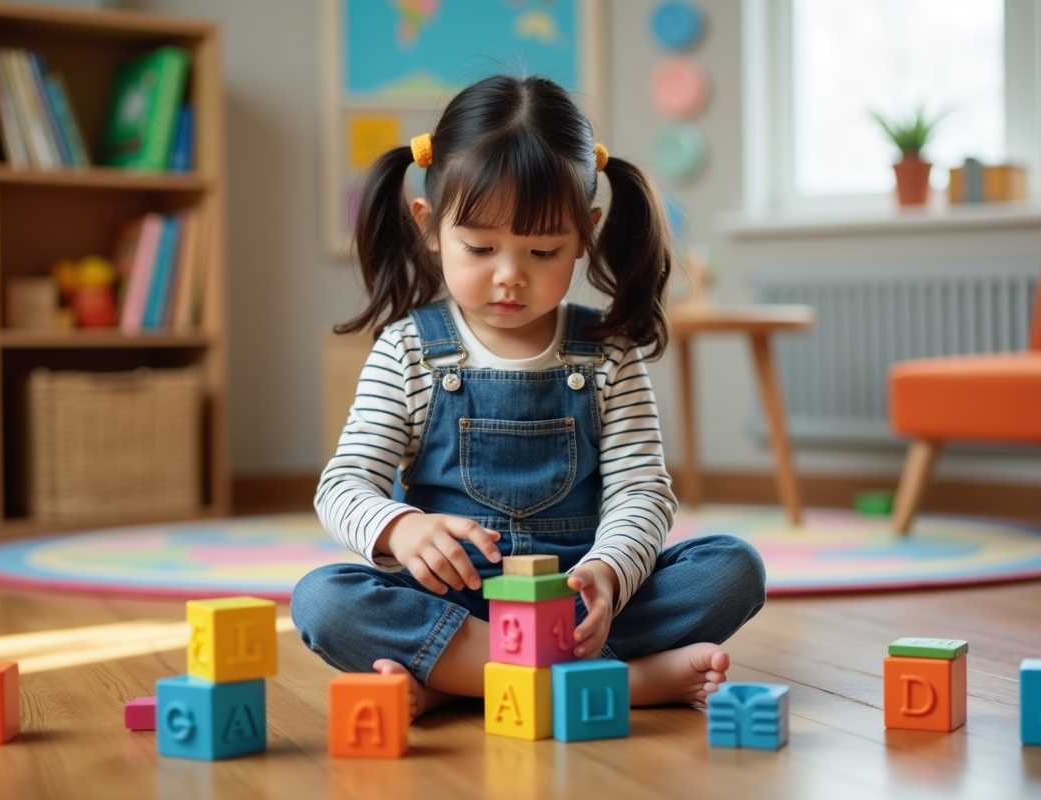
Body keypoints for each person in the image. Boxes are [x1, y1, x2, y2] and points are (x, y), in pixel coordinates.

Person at [292, 74, 765, 720]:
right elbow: (344, 484)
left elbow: (641, 494)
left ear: (586, 233)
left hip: (577, 608)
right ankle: (620, 684)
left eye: (543, 250)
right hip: (454, 605)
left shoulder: (608, 353)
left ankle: (459, 681)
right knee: (322, 600)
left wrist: (609, 573)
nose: (510, 274)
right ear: (429, 225)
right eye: (480, 247)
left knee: (733, 568)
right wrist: (402, 529)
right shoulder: (407, 349)